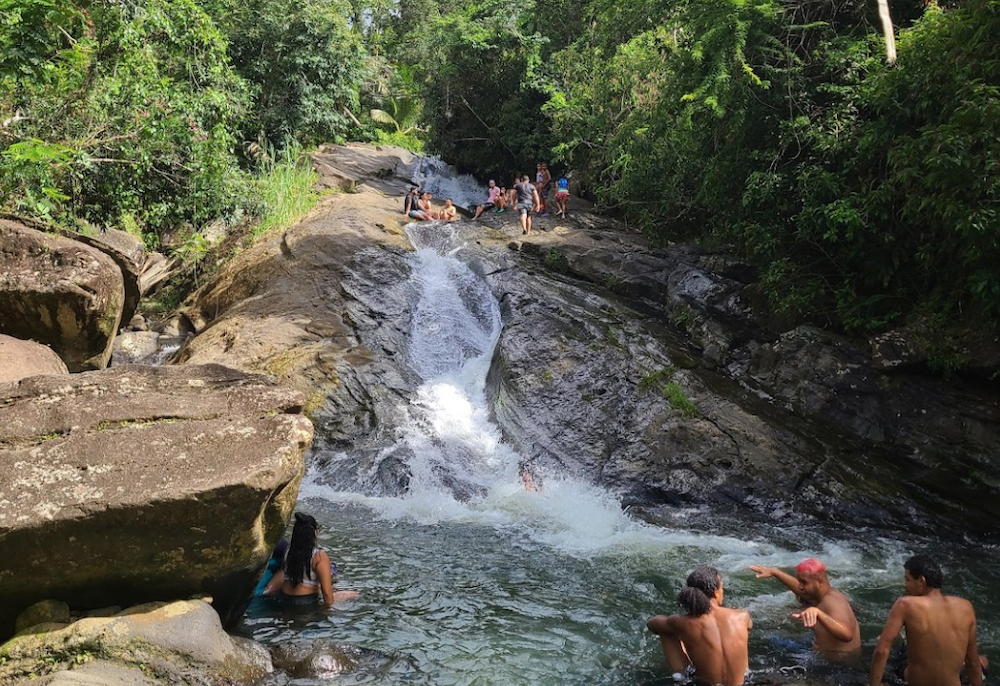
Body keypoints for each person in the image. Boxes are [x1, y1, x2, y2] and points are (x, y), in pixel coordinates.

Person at [870, 555, 986, 686]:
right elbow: (972, 661)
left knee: (901, 649)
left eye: (907, 579)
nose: (905, 585)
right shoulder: (966, 607)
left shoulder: (905, 604)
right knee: (982, 661)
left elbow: (881, 651)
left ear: (921, 581)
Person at [647, 565, 752, 686]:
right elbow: (747, 627)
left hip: (701, 684)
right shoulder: (742, 616)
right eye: (722, 587)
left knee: (666, 631)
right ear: (716, 592)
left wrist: (680, 631)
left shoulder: (682, 622)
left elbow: (652, 624)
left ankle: (681, 675)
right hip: (745, 682)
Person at [749, 558, 860, 657]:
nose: (800, 586)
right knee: (770, 639)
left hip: (836, 666)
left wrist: (818, 613)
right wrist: (775, 572)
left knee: (767, 642)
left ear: (819, 582)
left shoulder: (833, 601)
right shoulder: (821, 595)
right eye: (799, 581)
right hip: (821, 656)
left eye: (804, 582)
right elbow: (800, 590)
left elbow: (847, 634)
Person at [264, 512, 357, 605]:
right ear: (314, 533)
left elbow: (282, 573)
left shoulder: (288, 551)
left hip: (284, 598)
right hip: (305, 602)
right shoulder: (319, 556)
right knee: (353, 594)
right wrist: (328, 614)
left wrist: (268, 591)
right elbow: (327, 592)